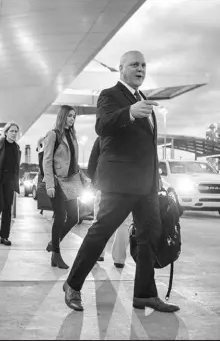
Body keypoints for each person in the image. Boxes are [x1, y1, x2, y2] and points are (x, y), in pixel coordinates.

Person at [63, 51, 180, 313]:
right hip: (120, 182)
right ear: (121, 69)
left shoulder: (143, 100)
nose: (140, 69)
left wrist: (157, 180)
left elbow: (147, 147)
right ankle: (72, 284)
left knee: (149, 236)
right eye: (134, 64)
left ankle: (145, 294)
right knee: (101, 232)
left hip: (147, 185)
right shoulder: (111, 95)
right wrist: (129, 112)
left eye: (144, 65)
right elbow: (102, 126)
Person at [43, 105, 88, 269]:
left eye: (74, 116)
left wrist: (84, 178)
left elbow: (74, 163)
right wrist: (49, 184)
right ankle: (56, 254)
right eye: (69, 116)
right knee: (60, 216)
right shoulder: (53, 135)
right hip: (56, 182)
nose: (72, 119)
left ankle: (54, 242)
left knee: (75, 216)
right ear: (63, 116)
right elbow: (46, 160)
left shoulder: (72, 136)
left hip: (71, 182)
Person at [88, 136, 132, 267]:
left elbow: (92, 164)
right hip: (127, 188)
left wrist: (97, 182)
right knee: (124, 223)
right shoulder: (134, 137)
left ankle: (98, 253)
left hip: (105, 187)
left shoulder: (103, 137)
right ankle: (119, 259)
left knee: (99, 221)